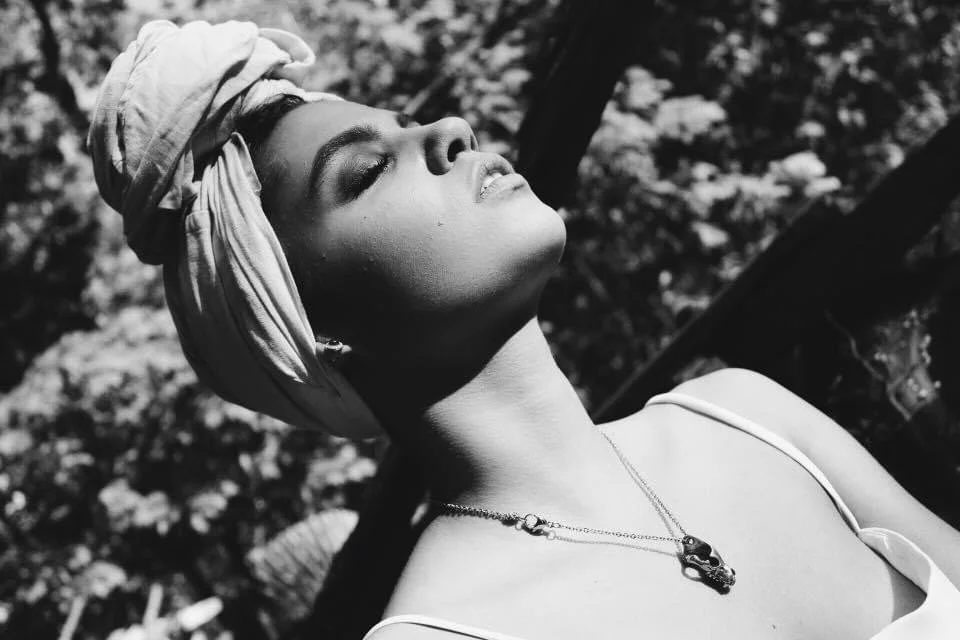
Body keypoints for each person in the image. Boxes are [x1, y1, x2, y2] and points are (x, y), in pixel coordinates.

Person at [88, 19, 960, 640]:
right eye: (363, 172)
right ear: (308, 327)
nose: (448, 128)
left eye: (407, 121)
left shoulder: (746, 416)